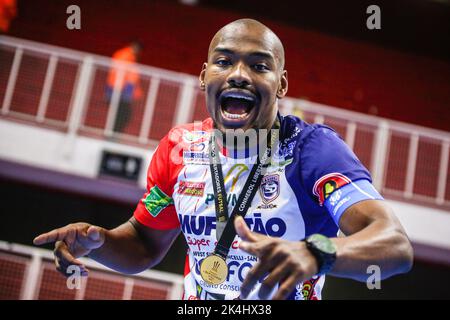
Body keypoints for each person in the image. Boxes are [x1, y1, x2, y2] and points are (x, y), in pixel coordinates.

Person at [34, 19, 413, 300]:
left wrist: (317, 252)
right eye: (224, 62)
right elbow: (145, 243)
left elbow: (394, 245)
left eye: (259, 66)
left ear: (281, 85)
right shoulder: (178, 148)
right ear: (204, 76)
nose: (239, 75)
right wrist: (99, 242)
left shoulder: (312, 150)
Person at [105, 41, 143, 134]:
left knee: (121, 114)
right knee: (123, 114)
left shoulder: (126, 56)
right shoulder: (126, 56)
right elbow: (126, 74)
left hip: (119, 89)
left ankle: (114, 133)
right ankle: (114, 133)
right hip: (119, 89)